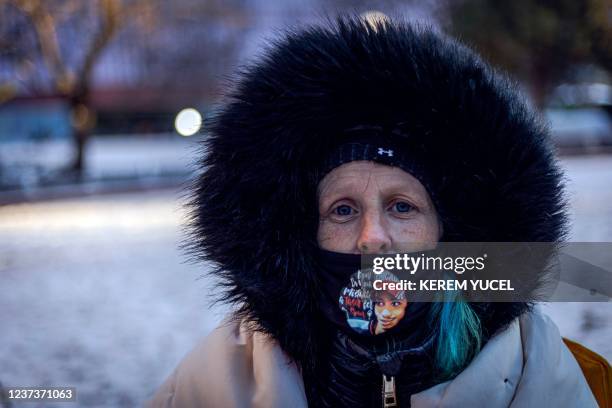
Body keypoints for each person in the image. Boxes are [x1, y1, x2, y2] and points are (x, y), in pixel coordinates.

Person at [147, 16, 610, 407]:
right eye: (343, 209)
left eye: (402, 206)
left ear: (446, 231)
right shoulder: (211, 384)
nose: (373, 237)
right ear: (303, 235)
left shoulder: (552, 376)